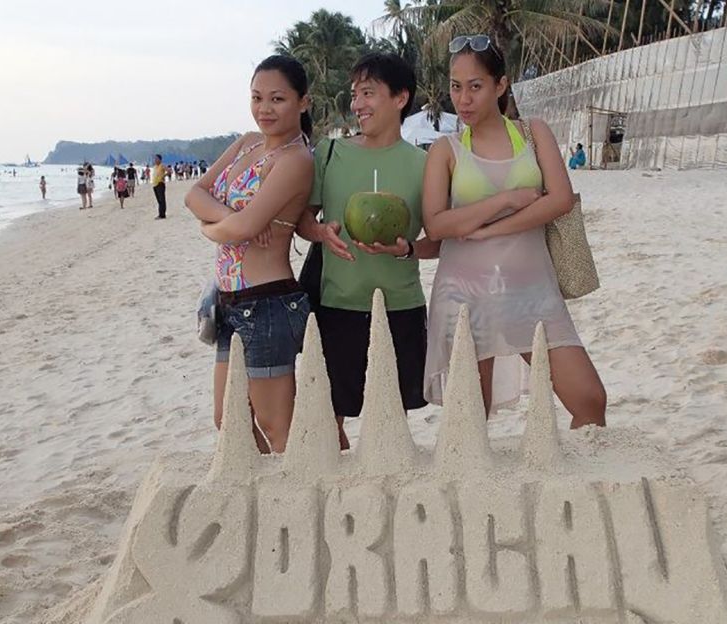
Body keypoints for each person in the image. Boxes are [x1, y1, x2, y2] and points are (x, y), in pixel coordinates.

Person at [421, 35, 607, 428]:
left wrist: (488, 229)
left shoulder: (533, 132)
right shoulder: (446, 149)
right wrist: (508, 200)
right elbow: (436, 223)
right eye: (456, 87)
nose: (464, 99)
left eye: (476, 86)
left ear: (500, 85)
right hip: (465, 294)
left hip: (532, 290)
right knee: (472, 419)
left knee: (590, 401)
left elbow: (559, 199)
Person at [298, 52, 441, 450]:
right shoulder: (330, 153)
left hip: (399, 305)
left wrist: (406, 248)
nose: (357, 104)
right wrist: (321, 232)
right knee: (329, 419)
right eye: (354, 94)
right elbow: (303, 221)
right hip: (337, 302)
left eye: (368, 93)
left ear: (399, 98)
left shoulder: (424, 163)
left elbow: (438, 241)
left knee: (391, 421)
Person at [184, 54, 314, 454]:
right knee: (229, 420)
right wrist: (228, 220)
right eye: (257, 98)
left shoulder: (296, 159)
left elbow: (241, 230)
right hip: (228, 303)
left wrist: (215, 226)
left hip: (268, 304)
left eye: (277, 99)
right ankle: (267, 495)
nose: (264, 109)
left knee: (278, 429)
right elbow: (193, 194)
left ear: (302, 102)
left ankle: (297, 504)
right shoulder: (246, 144)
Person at [151, 155, 167, 219]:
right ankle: (160, 213)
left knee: (162, 200)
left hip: (160, 184)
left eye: (156, 159)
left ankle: (162, 215)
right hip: (155, 184)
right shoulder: (155, 167)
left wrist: (163, 176)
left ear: (160, 159)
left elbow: (169, 171)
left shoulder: (162, 165)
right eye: (154, 159)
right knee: (159, 200)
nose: (155, 160)